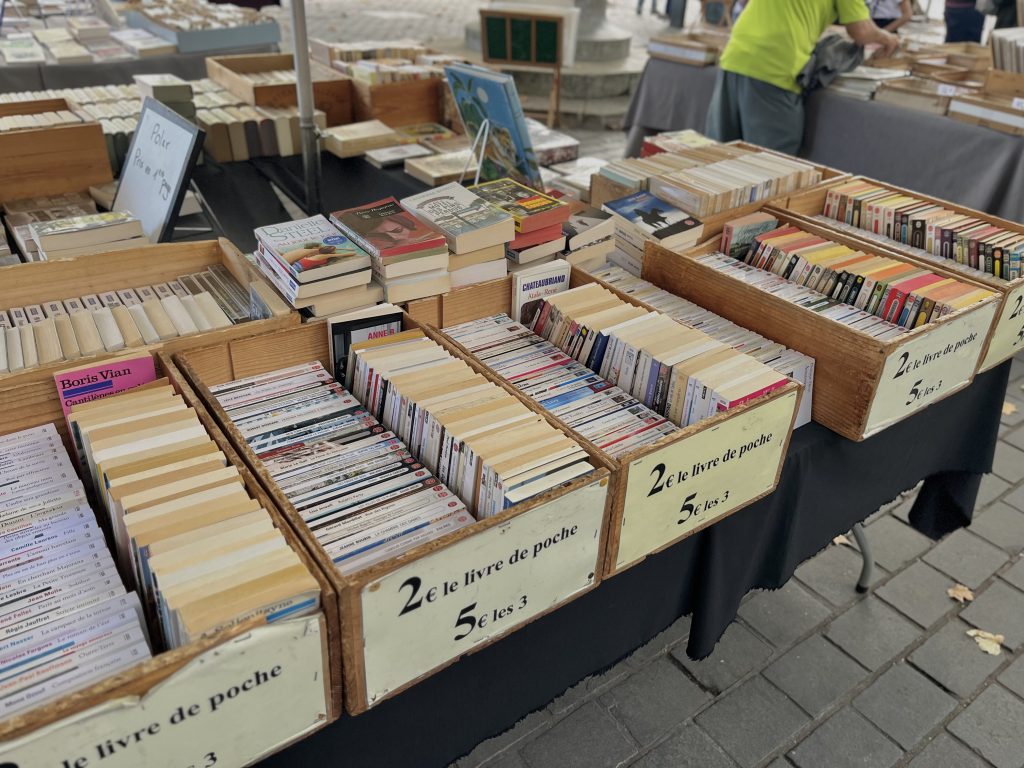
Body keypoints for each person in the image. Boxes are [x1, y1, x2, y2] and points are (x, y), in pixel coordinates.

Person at [705, 0, 899, 155]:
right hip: (775, 66)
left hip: (736, 54)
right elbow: (861, 31)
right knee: (771, 167)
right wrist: (887, 38)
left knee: (722, 155)